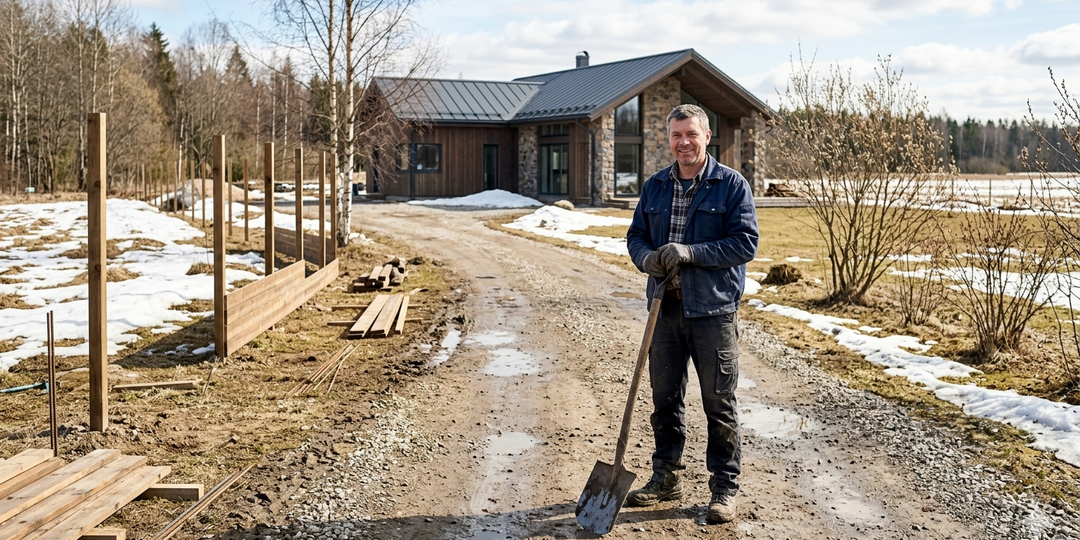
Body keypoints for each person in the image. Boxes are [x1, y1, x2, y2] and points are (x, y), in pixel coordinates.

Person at [624, 104, 759, 523]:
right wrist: (647, 260)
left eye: (691, 135)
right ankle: (666, 476)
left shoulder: (730, 185)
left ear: (706, 136)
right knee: (665, 399)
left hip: (713, 311)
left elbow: (745, 244)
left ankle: (724, 487)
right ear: (669, 140)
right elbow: (636, 237)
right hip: (664, 310)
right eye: (676, 136)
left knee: (719, 400)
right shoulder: (656, 187)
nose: (683, 143)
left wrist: (691, 252)